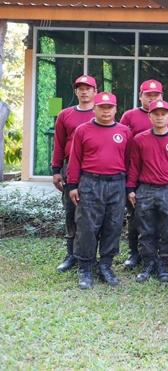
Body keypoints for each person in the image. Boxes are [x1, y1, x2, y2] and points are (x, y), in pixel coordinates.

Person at [67, 92, 132, 289]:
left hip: (116, 184)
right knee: (87, 226)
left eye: (109, 107)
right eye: (102, 107)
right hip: (90, 183)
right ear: (94, 109)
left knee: (113, 225)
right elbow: (74, 159)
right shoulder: (82, 130)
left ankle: (105, 266)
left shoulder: (124, 131)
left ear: (115, 109)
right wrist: (72, 185)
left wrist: (129, 186)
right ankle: (85, 268)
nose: (106, 111)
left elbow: (128, 161)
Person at [127, 100, 168, 282]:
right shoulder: (140, 139)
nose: (160, 117)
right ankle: (149, 263)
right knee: (145, 229)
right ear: (150, 116)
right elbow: (134, 166)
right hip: (145, 189)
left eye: (164, 114)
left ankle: (164, 264)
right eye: (156, 114)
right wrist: (130, 188)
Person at [120, 79, 168, 269]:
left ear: (162, 96)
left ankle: (160, 259)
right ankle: (135, 254)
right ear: (141, 96)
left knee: (164, 220)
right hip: (135, 174)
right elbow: (121, 142)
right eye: (148, 95)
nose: (152, 98)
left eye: (156, 95)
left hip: (163, 179)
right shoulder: (129, 116)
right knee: (136, 218)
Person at [52, 74, 98, 273]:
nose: (84, 92)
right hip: (71, 167)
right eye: (81, 88)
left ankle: (91, 255)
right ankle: (71, 254)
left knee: (94, 214)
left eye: (88, 88)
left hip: (94, 169)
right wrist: (56, 169)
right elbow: (59, 144)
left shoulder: (102, 113)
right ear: (76, 92)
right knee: (71, 211)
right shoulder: (65, 115)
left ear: (95, 92)